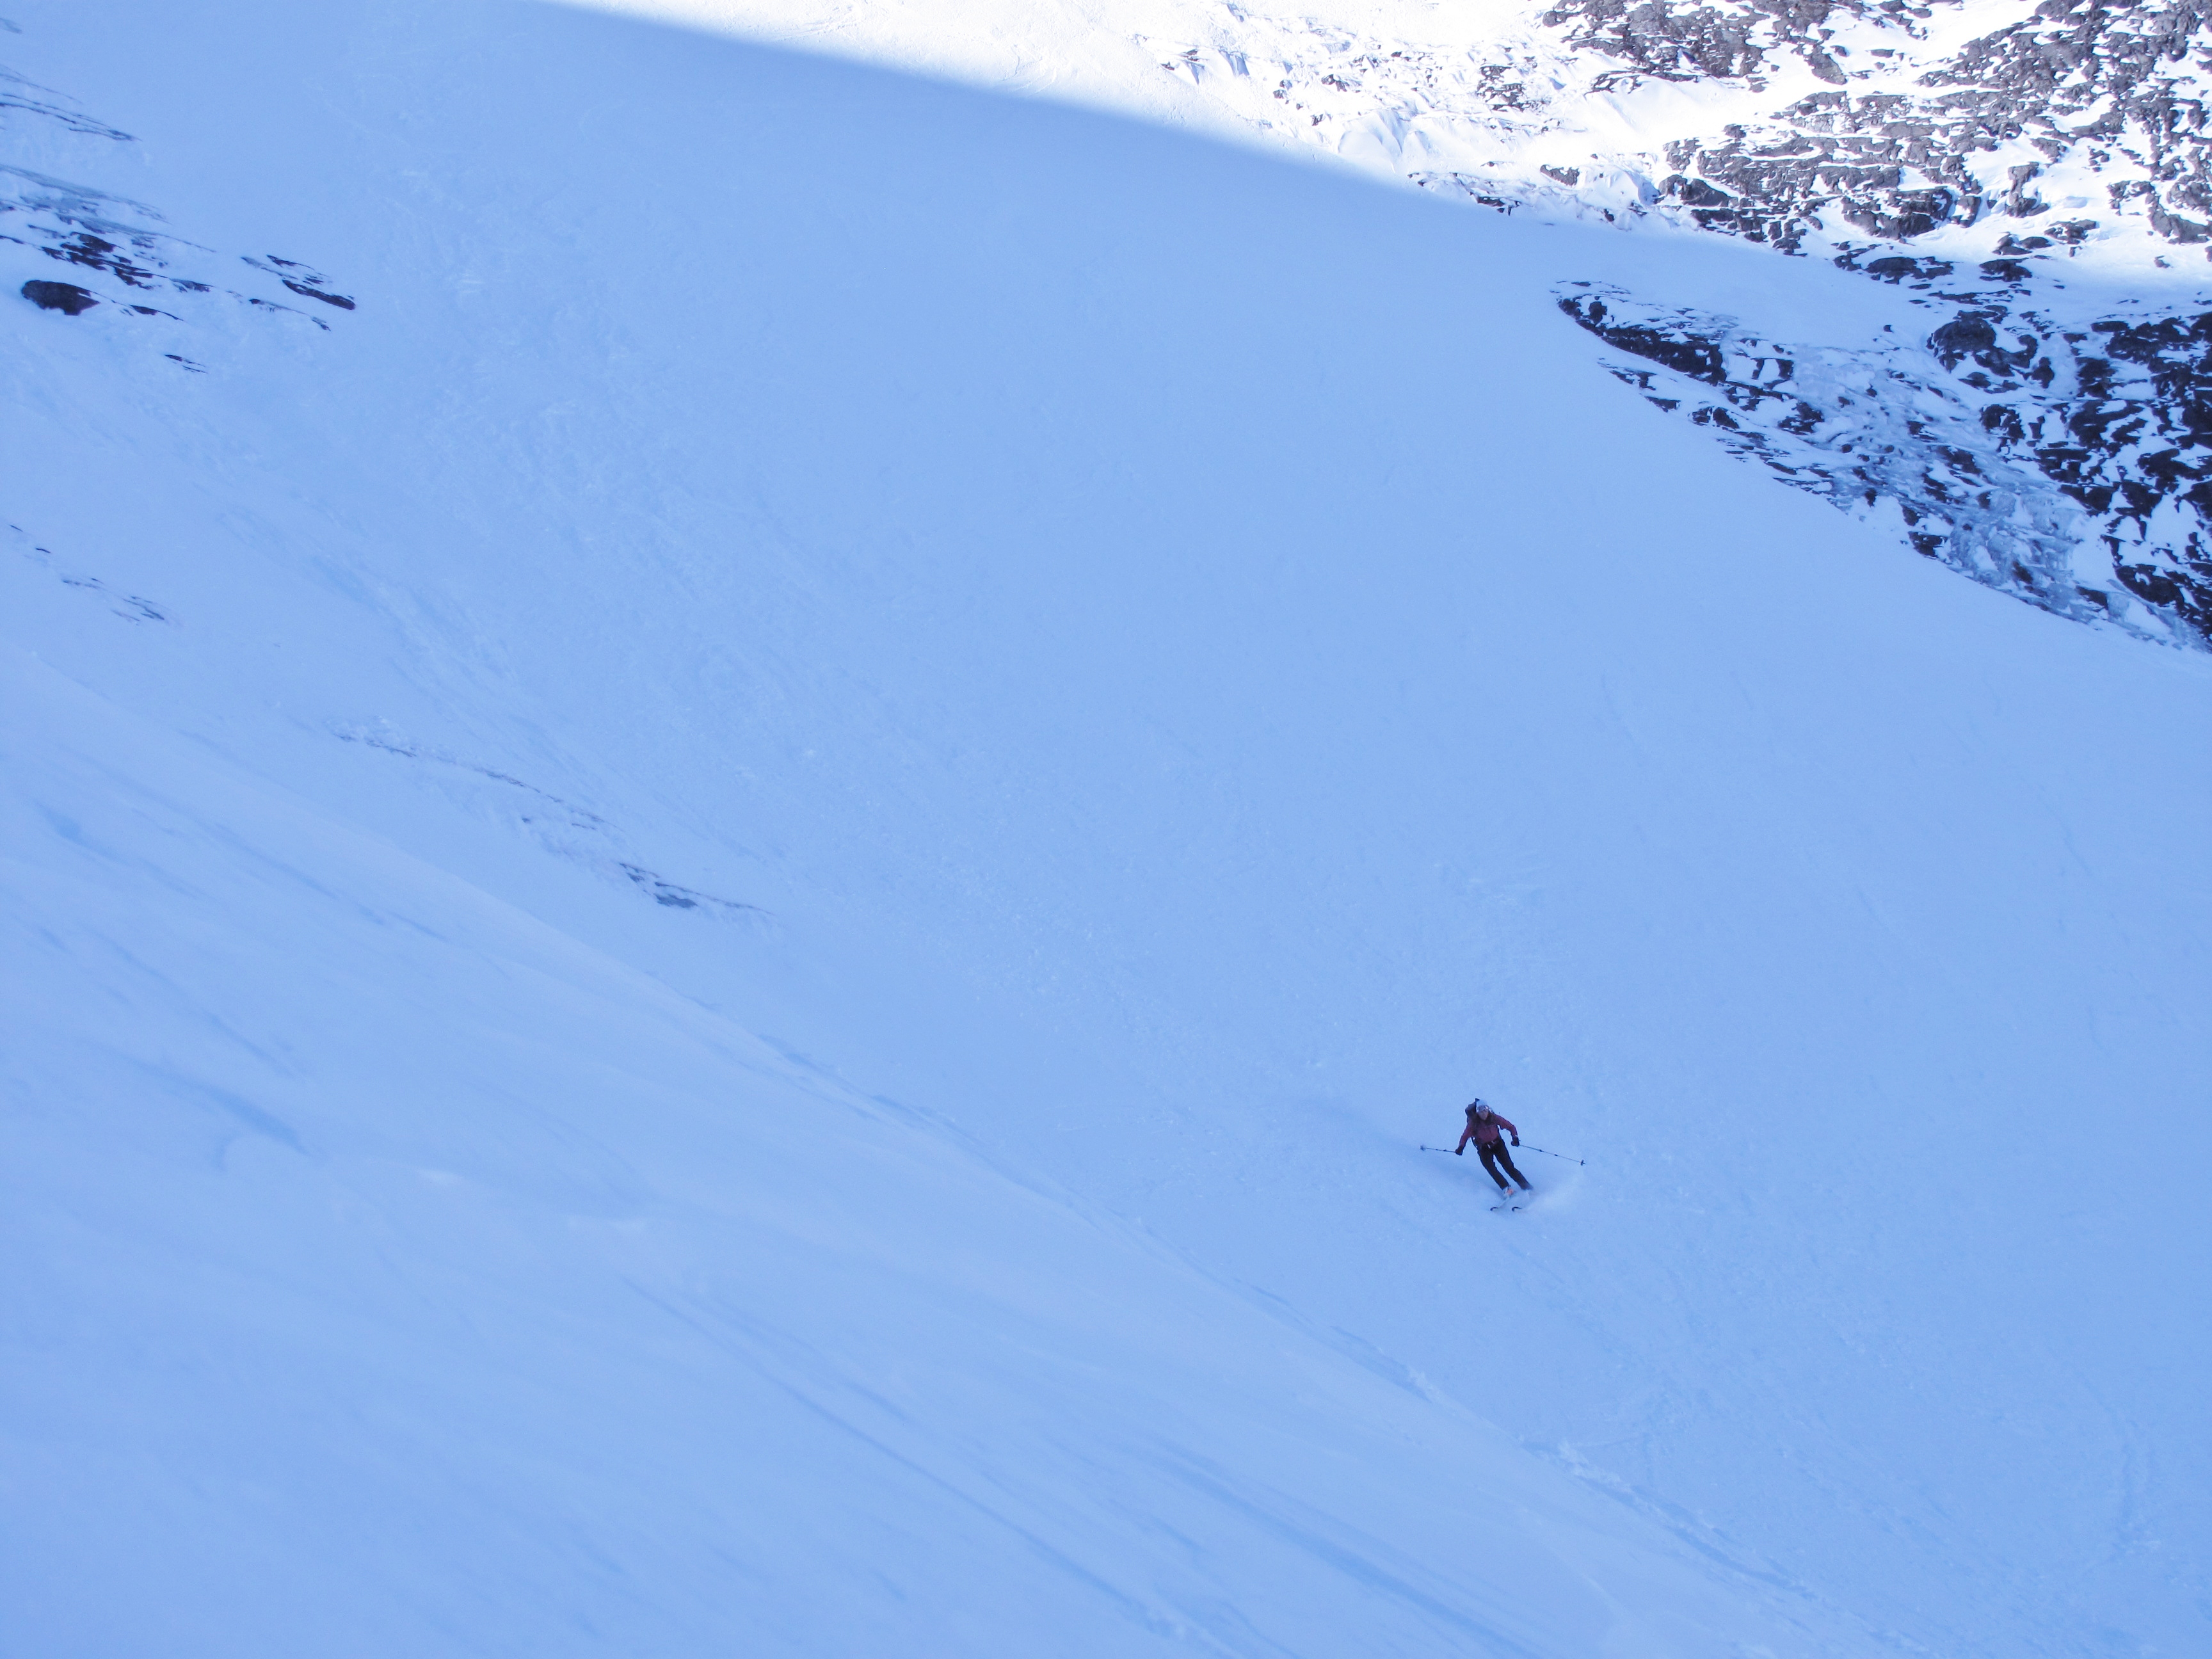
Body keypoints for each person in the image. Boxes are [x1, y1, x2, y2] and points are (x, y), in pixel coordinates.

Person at [1455, 1100, 1532, 1195]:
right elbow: (1465, 1136)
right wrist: (1461, 1147)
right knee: (1491, 1168)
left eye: (1485, 1110)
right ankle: (1507, 1189)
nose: (1483, 1113)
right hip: (1483, 1148)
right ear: (1477, 1112)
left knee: (1509, 1167)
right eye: (1480, 1110)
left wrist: (1515, 1138)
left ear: (1488, 1110)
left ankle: (1526, 1187)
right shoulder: (1473, 1123)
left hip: (1498, 1144)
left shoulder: (1494, 1118)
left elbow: (1511, 1127)